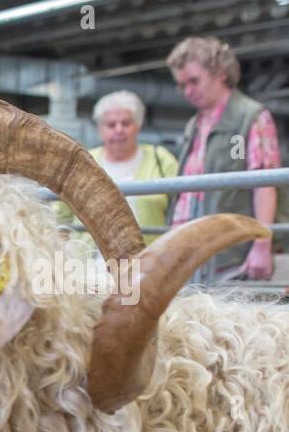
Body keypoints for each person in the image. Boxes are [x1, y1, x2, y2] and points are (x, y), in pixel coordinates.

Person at [165, 37, 280, 282]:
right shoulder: (193, 125)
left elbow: (264, 185)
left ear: (220, 73)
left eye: (194, 81)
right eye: (181, 85)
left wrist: (262, 245)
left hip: (230, 255)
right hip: (191, 253)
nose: (188, 91)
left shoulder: (251, 117)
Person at [54, 91, 178, 245]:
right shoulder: (82, 162)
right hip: (89, 265)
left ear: (138, 126)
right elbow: (60, 216)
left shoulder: (161, 159)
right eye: (111, 125)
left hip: (149, 263)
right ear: (100, 130)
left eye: (126, 123)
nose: (119, 130)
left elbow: (181, 211)